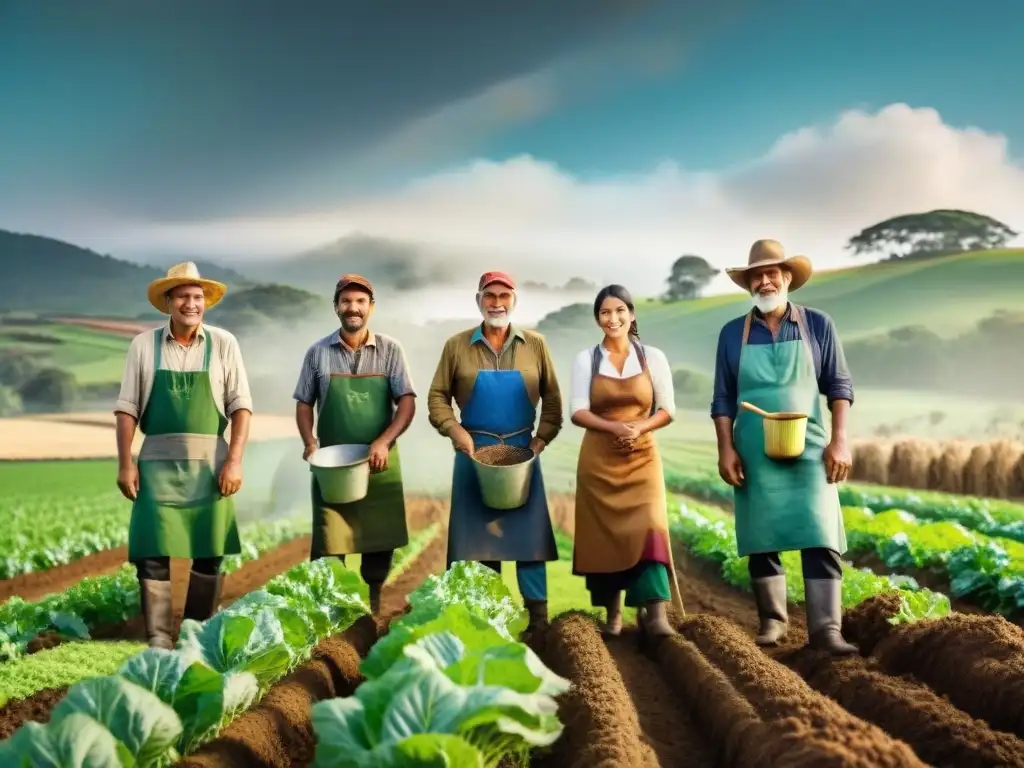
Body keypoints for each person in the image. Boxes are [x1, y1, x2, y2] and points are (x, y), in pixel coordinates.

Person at [712, 239, 856, 655]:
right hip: (753, 446)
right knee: (762, 532)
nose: (764, 280)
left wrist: (839, 440)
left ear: (787, 278)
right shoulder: (731, 335)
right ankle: (773, 621)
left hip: (811, 445)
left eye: (772, 272)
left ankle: (827, 629)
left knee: (820, 530)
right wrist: (726, 448)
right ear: (748, 284)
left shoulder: (816, 325)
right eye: (756, 275)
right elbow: (723, 400)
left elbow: (839, 386)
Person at [114, 262, 253, 649]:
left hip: (212, 466)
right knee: (151, 553)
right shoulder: (143, 345)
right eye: (183, 297)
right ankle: (158, 640)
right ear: (168, 302)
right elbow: (127, 409)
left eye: (198, 297)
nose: (192, 304)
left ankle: (195, 637)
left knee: (209, 553)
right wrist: (126, 462)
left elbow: (241, 407)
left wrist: (235, 460)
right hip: (156, 464)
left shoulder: (224, 343)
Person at [427, 271, 562, 634]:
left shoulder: (535, 344)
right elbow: (437, 397)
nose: (497, 302)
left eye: (504, 295)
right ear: (478, 300)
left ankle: (539, 621)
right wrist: (455, 430)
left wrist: (539, 441)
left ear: (514, 300)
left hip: (522, 454)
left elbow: (552, 401)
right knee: (478, 543)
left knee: (528, 540)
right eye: (490, 295)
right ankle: (483, 620)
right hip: (472, 454)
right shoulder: (457, 346)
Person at [293, 274, 416, 617]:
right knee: (331, 542)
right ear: (336, 307)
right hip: (332, 466)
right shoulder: (317, 353)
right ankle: (332, 618)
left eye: (361, 302)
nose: (353, 308)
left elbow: (406, 401)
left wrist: (383, 441)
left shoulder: (391, 350)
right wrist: (309, 441)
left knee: (379, 543)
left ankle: (374, 612)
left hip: (379, 464)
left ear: (371, 307)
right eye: (346, 301)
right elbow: (304, 403)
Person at [570, 285, 685, 637]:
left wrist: (640, 428)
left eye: (620, 310)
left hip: (642, 456)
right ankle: (613, 616)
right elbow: (578, 411)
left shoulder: (653, 357)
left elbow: (667, 409)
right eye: (605, 312)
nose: (613, 318)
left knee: (650, 526)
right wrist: (613, 426)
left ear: (632, 314)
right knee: (604, 537)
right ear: (597, 319)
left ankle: (656, 614)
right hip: (599, 460)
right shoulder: (586, 359)